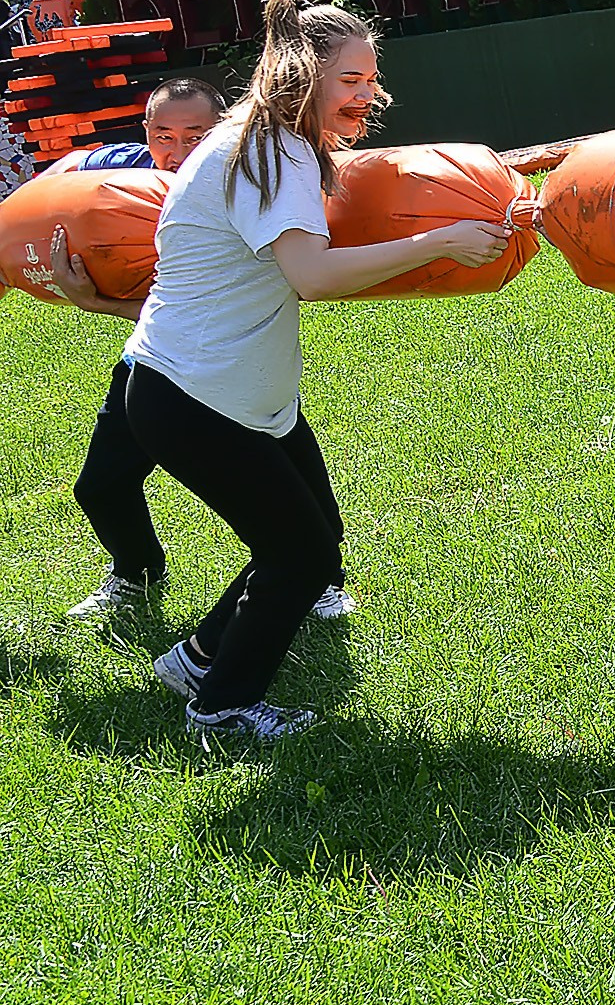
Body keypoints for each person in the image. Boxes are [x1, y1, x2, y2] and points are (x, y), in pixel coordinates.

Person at [124, 0, 514, 743]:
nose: (369, 94)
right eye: (351, 80)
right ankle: (223, 709)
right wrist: (439, 242)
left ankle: (197, 660)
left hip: (209, 389)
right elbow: (313, 274)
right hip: (193, 395)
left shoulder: (268, 139)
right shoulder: (273, 149)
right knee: (300, 557)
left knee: (306, 534)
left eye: (373, 79)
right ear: (302, 75)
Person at [44, 78, 377, 623]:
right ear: (145, 133)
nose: (176, 151)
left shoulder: (244, 179)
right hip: (158, 357)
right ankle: (135, 572)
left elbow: (234, 299)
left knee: (294, 474)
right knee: (101, 485)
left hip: (237, 357)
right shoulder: (126, 180)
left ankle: (321, 578)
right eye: (163, 136)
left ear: (222, 130)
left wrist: (98, 304)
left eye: (194, 135)